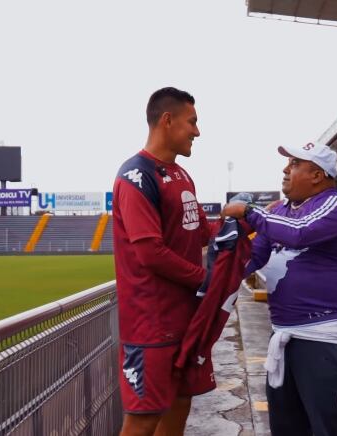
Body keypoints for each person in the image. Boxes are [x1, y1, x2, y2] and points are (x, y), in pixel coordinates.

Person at [222, 142, 337, 436]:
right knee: (286, 428)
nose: (286, 170)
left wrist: (251, 212)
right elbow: (254, 258)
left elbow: (300, 233)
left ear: (317, 175)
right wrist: (210, 275)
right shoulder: (282, 211)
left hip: (323, 337)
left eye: (295, 164)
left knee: (330, 429)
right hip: (284, 335)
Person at [112, 87, 213, 436]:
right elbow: (150, 253)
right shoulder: (136, 176)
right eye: (192, 122)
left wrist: (250, 223)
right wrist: (206, 280)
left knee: (180, 403)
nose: (197, 132)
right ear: (167, 121)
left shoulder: (182, 176)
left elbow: (202, 232)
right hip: (150, 326)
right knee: (143, 419)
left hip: (186, 321)